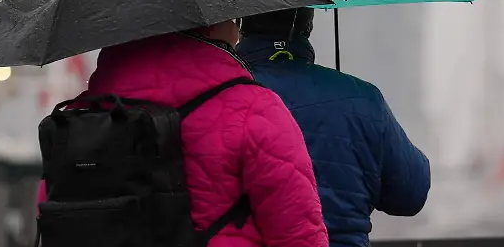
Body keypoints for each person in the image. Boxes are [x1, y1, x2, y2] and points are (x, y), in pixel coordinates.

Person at [37, 19, 329, 247]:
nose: (237, 34)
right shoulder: (254, 108)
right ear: (210, 25)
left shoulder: (84, 115)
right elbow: (298, 233)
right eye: (232, 20)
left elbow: (51, 211)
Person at [236, 8, 431, 247]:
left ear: (241, 26)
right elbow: (411, 194)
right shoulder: (362, 99)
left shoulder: (223, 99)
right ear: (308, 26)